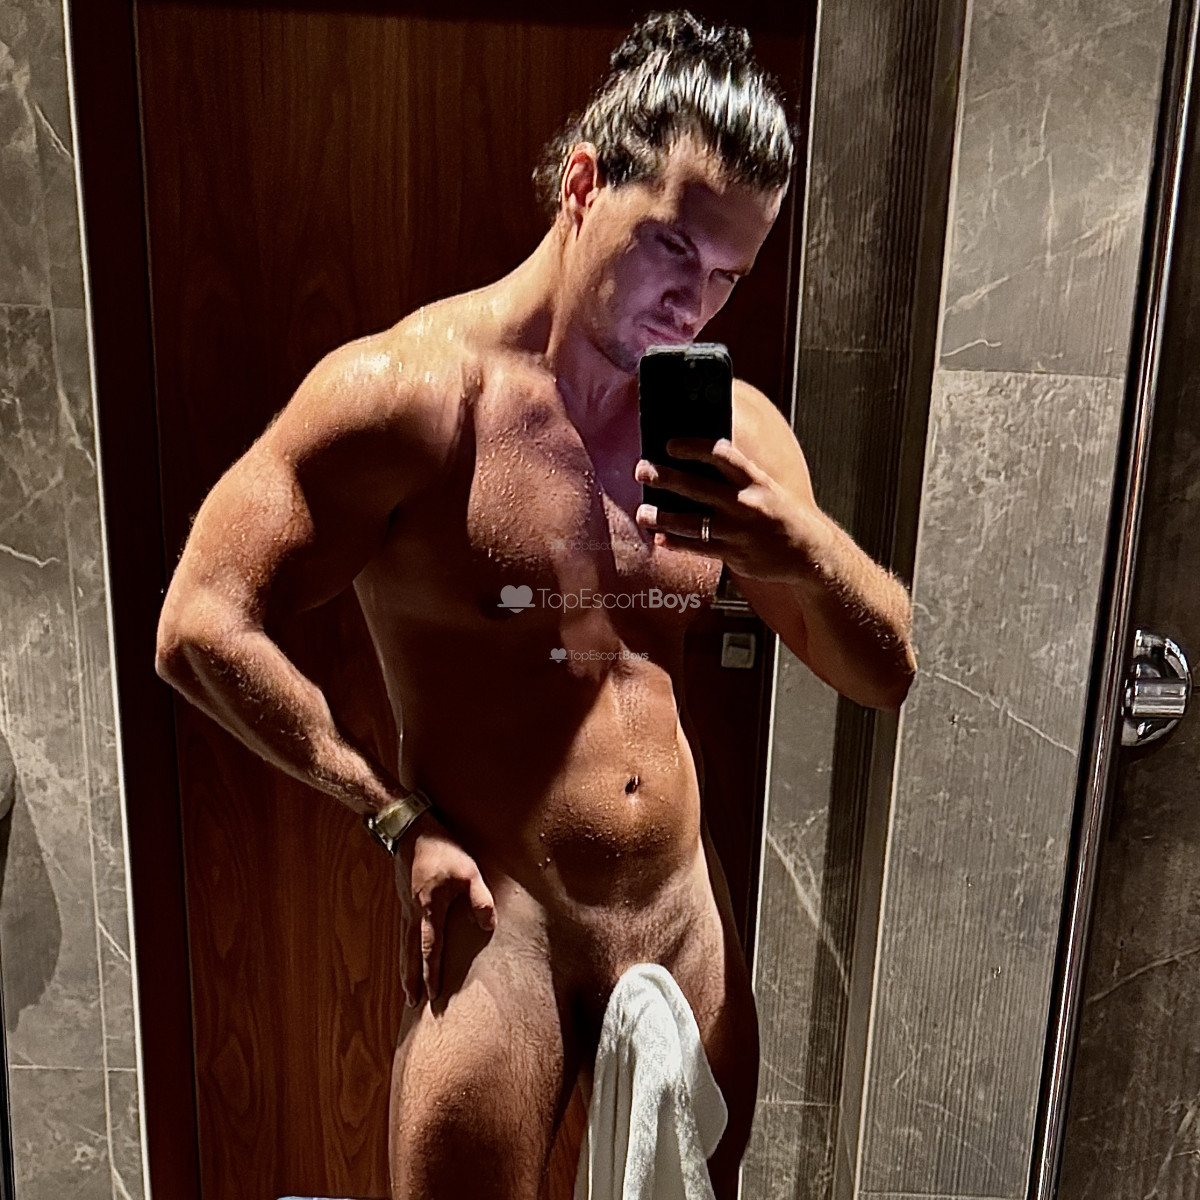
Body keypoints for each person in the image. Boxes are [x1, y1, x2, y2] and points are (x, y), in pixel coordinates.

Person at [154, 10, 916, 1198]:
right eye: (674, 248)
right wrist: (390, 817)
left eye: (728, 275)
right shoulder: (409, 397)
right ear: (584, 184)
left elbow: (886, 672)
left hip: (680, 913)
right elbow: (199, 626)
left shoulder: (733, 434)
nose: (695, 304)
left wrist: (803, 550)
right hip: (502, 917)